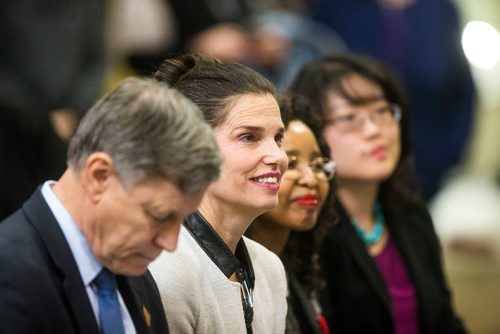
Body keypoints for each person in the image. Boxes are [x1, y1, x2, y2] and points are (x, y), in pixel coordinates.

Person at [0, 77, 222, 334]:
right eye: (159, 216)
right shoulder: (9, 274)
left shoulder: (133, 271)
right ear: (99, 176)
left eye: (181, 220)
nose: (170, 243)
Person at [289, 54, 467, 334]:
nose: (373, 131)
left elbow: (444, 319)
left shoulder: (411, 213)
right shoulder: (308, 233)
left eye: (382, 112)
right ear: (312, 135)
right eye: (349, 118)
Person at [149, 54, 289, 333]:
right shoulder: (165, 273)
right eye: (248, 137)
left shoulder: (271, 268)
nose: (277, 156)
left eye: (278, 138)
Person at [307, 0, 476, 200]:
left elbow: (462, 91)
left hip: (426, 167)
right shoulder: (337, 7)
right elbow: (314, 79)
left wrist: (448, 154)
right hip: (346, 167)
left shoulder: (440, 9)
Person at [246, 94, 335, 334]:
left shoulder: (301, 262)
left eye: (317, 165)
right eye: (292, 163)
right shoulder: (236, 275)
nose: (311, 179)